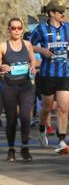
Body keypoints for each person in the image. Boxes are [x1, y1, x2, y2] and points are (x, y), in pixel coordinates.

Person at [30, 0, 69, 154]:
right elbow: (29, 44)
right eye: (60, 12)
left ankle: (61, 140)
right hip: (47, 74)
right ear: (52, 13)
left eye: (63, 12)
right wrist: (42, 50)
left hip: (64, 73)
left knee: (64, 108)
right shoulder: (41, 28)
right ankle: (41, 130)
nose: (63, 14)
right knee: (47, 107)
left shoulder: (67, 27)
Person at [0, 17, 36, 161]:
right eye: (13, 28)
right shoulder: (3, 46)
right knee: (11, 119)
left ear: (22, 30)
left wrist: (33, 67)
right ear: (9, 29)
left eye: (19, 28)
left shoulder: (27, 44)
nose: (16, 30)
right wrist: (1, 67)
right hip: (9, 86)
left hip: (26, 86)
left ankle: (25, 148)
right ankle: (11, 149)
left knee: (26, 117)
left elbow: (32, 59)